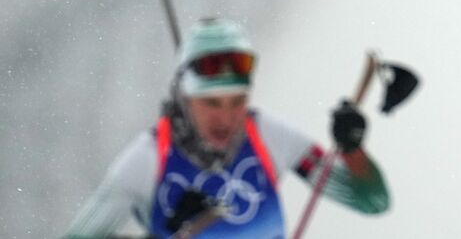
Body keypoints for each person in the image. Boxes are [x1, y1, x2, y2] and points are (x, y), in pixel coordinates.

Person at [63, 17, 389, 238]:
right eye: (211, 104)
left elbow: (372, 202)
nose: (227, 119)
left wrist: (352, 148)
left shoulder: (270, 137)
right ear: (184, 98)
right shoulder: (145, 162)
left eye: (237, 102)